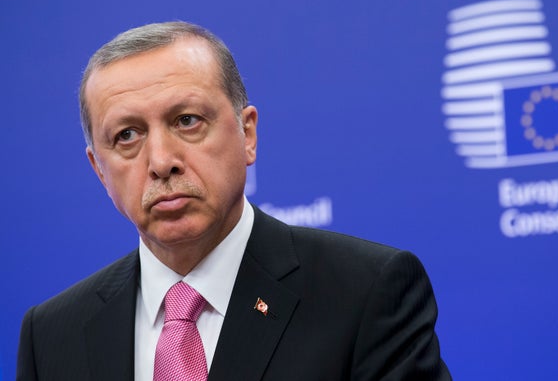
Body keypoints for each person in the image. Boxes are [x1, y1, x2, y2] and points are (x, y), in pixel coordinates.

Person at [16, 22, 452, 381]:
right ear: (99, 169)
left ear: (247, 135)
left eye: (187, 121)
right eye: (127, 135)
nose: (161, 162)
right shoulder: (52, 336)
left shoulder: (365, 294)